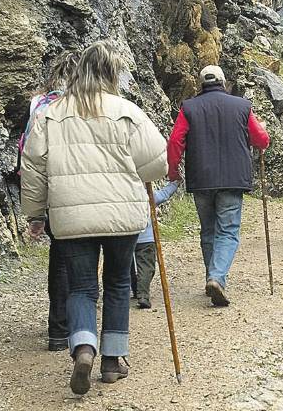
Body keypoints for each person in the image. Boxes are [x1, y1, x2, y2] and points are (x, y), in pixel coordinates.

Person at [21, 41, 168, 395]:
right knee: (118, 284)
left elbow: (33, 169)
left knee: (82, 288)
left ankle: (84, 348)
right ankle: (113, 361)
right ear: (112, 74)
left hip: (71, 216)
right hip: (122, 215)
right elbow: (157, 163)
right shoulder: (128, 111)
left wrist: (35, 214)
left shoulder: (49, 115)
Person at [167, 65, 270, 306]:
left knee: (208, 229)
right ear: (223, 82)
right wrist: (263, 130)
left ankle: (211, 276)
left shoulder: (189, 107)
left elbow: (175, 141)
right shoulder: (242, 106)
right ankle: (216, 277)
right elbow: (261, 140)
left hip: (201, 179)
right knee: (228, 231)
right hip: (233, 179)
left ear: (201, 83)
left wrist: (173, 171)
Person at [18, 50, 79, 352]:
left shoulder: (39, 105)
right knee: (86, 256)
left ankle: (58, 330)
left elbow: (31, 158)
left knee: (59, 257)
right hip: (83, 189)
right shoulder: (88, 104)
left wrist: (35, 213)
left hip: (53, 191)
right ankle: (83, 329)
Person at [132, 180, 180, 309]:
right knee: (146, 267)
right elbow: (164, 194)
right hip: (146, 239)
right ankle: (143, 294)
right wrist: (175, 183)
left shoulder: (121, 196)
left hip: (126, 236)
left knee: (126, 265)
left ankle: (134, 287)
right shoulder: (147, 195)